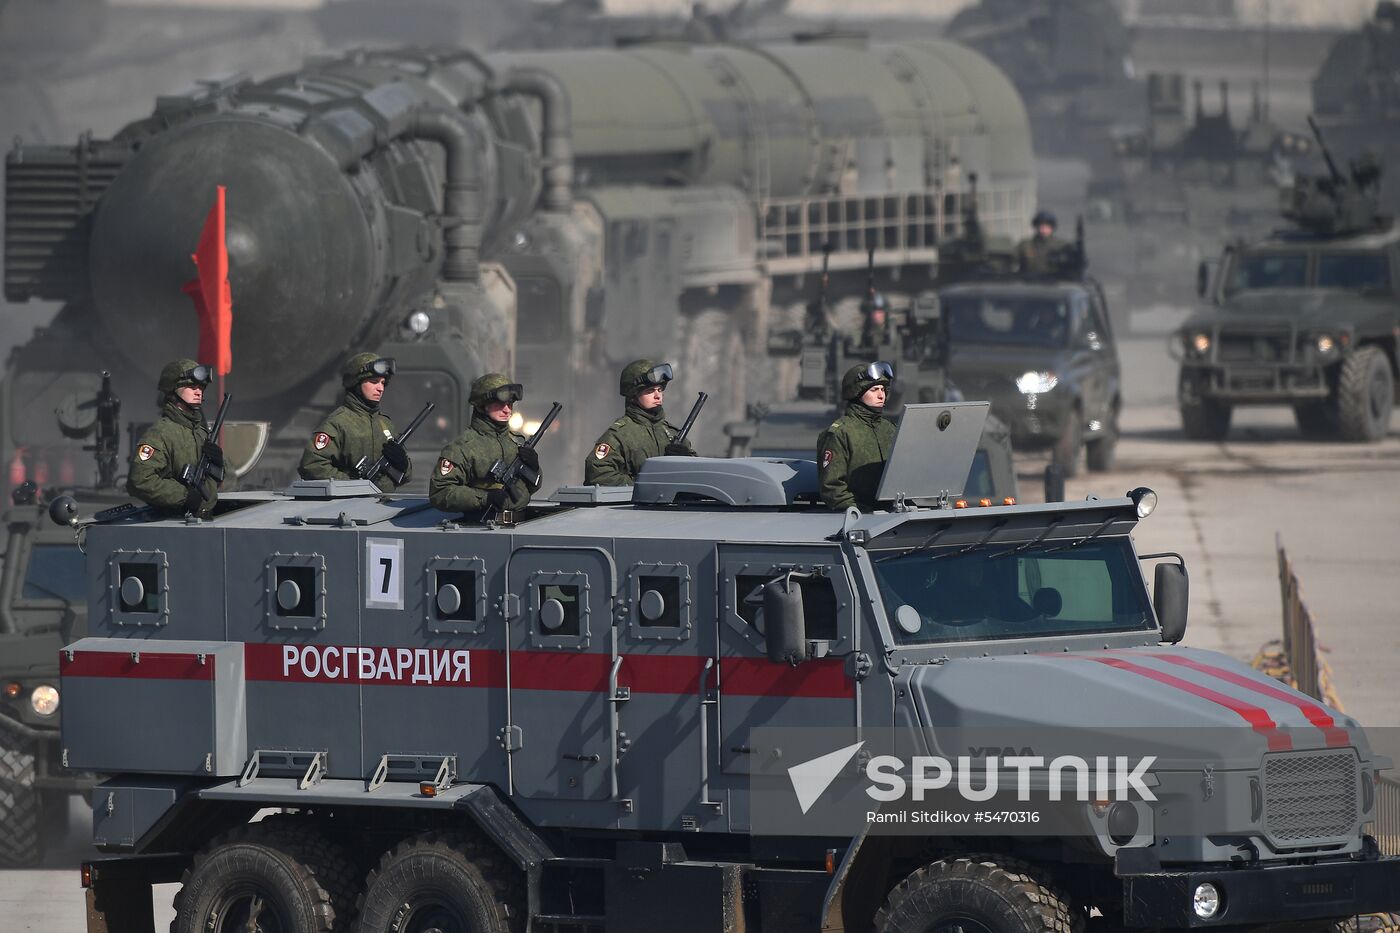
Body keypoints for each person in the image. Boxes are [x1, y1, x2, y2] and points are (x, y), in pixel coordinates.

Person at [430, 373, 540, 515]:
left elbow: (532, 487)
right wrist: (485, 498)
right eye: (500, 404)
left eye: (510, 404)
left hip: (520, 522)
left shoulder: (515, 441)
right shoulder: (463, 448)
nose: (507, 410)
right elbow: (440, 493)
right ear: (482, 406)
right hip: (483, 526)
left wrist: (534, 468)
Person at [298, 352, 411, 488]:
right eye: (374, 382)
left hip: (385, 505)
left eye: (383, 383)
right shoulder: (337, 423)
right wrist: (351, 484)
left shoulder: (385, 424)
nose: (380, 388)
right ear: (355, 383)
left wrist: (402, 464)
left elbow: (406, 476)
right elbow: (312, 466)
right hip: (348, 506)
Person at [127, 359, 223, 518]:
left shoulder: (201, 432)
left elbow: (223, 482)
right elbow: (139, 481)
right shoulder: (160, 434)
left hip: (206, 521)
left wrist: (219, 465)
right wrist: (184, 496)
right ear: (173, 390)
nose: (199, 392)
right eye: (192, 387)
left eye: (201, 387)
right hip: (173, 523)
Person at [585, 359, 696, 486]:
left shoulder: (672, 434)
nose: (657, 396)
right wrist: (642, 485)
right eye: (650, 391)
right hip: (636, 505)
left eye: (660, 390)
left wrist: (686, 459)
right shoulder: (619, 435)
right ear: (633, 395)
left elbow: (699, 474)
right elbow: (598, 473)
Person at [816, 361, 897, 511]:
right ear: (857, 393)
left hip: (893, 513)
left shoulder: (890, 429)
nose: (881, 395)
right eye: (874, 390)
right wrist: (861, 512)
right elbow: (833, 489)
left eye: (883, 389)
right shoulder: (839, 433)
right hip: (859, 519)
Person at [1015, 209, 1069, 277]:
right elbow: (1011, 258)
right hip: (1028, 282)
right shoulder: (1025, 245)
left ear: (1052, 228)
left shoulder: (1061, 246)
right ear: (1036, 226)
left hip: (1054, 282)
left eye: (1047, 226)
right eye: (1041, 226)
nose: (1044, 230)